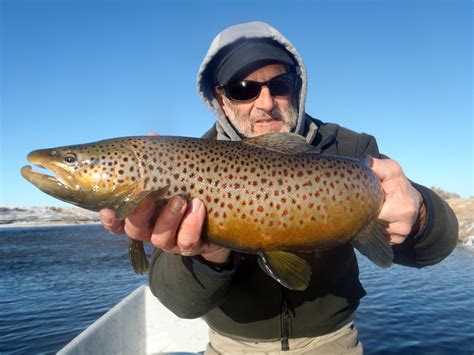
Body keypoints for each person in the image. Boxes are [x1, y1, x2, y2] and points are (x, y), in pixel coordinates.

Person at [99, 22, 458, 354]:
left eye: (280, 85)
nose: (266, 102)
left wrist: (421, 210)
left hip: (334, 343)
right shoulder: (187, 164)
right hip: (230, 347)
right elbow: (180, 304)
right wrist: (210, 255)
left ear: (297, 87)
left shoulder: (350, 152)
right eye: (244, 89)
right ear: (220, 98)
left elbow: (435, 249)